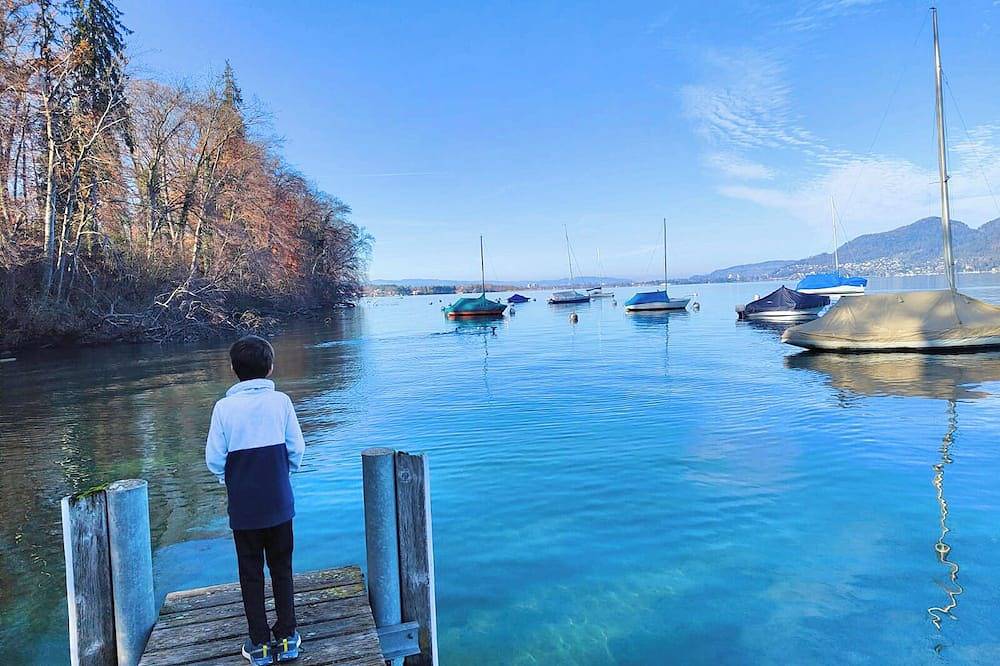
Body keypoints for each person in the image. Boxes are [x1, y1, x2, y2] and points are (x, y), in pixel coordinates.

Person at [206, 335, 306, 664]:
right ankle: (288, 637)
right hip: (279, 503)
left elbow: (214, 459)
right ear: (270, 367)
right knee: (282, 568)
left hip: (244, 508)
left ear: (233, 369)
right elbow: (297, 449)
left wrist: (231, 480)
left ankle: (260, 643)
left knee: (251, 573)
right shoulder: (282, 402)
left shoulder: (223, 408)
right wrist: (281, 474)